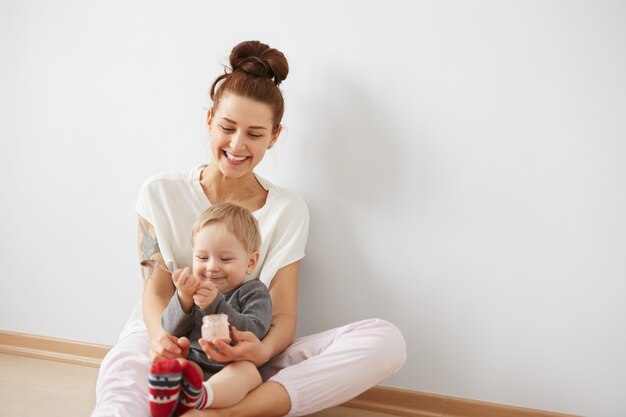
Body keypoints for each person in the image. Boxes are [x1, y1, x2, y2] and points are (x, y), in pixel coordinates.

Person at [92, 40, 406, 417]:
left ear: (274, 137)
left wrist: (260, 351)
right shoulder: (160, 192)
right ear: (209, 121)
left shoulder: (288, 210)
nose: (238, 145)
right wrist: (161, 341)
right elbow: (156, 291)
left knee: (386, 340)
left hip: (244, 354)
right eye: (227, 128)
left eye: (255, 134)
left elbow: (283, 316)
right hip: (167, 335)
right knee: (123, 373)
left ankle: (221, 412)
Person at [148, 203, 272, 417]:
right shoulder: (192, 289)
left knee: (250, 373)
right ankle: (171, 401)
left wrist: (215, 304)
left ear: (250, 262)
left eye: (225, 259)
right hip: (194, 363)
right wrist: (183, 298)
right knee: (176, 366)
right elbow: (168, 328)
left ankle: (201, 396)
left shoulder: (254, 291)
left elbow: (256, 329)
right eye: (202, 258)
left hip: (232, 366)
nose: (212, 267)